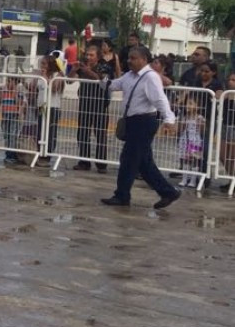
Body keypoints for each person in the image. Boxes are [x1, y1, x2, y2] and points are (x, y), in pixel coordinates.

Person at [102, 47, 181, 209]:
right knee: (143, 163)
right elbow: (112, 85)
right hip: (133, 122)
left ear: (144, 59)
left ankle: (122, 195)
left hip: (143, 122)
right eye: (129, 58)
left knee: (129, 160)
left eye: (134, 58)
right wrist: (100, 76)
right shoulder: (129, 76)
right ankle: (168, 192)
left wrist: (169, 118)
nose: (129, 60)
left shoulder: (150, 77)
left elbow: (160, 99)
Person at [73, 44, 113, 173]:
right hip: (84, 104)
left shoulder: (105, 67)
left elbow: (104, 83)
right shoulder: (82, 66)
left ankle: (101, 164)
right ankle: (84, 162)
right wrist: (74, 69)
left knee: (100, 135)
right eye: (87, 54)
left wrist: (89, 72)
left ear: (98, 56)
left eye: (91, 55)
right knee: (82, 133)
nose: (88, 57)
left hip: (100, 106)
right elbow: (68, 80)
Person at [0, 76, 24, 165]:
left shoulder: (19, 92)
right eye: (7, 81)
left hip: (14, 115)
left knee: (12, 135)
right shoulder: (3, 90)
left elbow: (19, 104)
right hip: (5, 115)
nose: (8, 83)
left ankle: (12, 155)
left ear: (15, 83)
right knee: (6, 135)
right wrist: (0, 93)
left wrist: (14, 92)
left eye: (10, 81)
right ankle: (7, 153)